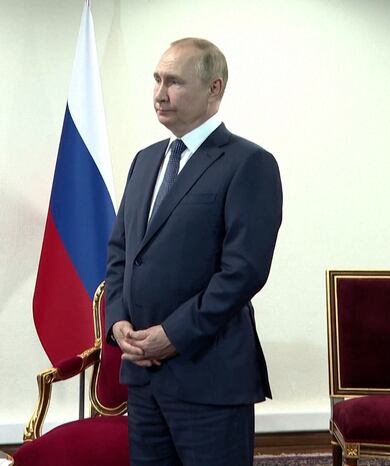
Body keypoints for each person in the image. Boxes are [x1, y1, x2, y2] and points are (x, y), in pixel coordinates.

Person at [104, 37, 283, 466]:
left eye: (174, 82)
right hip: (144, 379)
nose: (160, 93)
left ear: (214, 88)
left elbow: (243, 272)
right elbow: (121, 252)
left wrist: (174, 335)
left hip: (209, 377)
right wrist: (117, 321)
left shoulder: (248, 163)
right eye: (156, 80)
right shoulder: (145, 161)